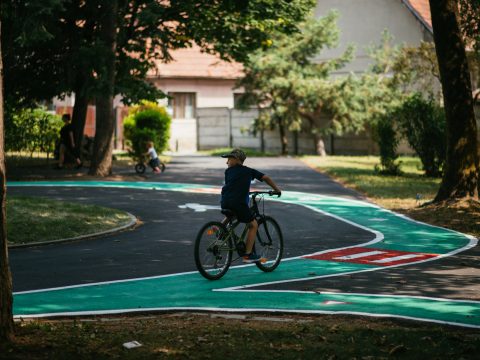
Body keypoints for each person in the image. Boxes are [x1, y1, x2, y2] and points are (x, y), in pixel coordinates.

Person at [220, 148, 281, 263]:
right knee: (253, 224)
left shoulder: (228, 172)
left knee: (232, 213)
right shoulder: (248, 171)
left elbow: (234, 185)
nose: (227, 162)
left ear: (237, 160)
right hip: (238, 203)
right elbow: (266, 178)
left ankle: (220, 229)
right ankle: (247, 255)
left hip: (224, 201)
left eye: (229, 159)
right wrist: (276, 190)